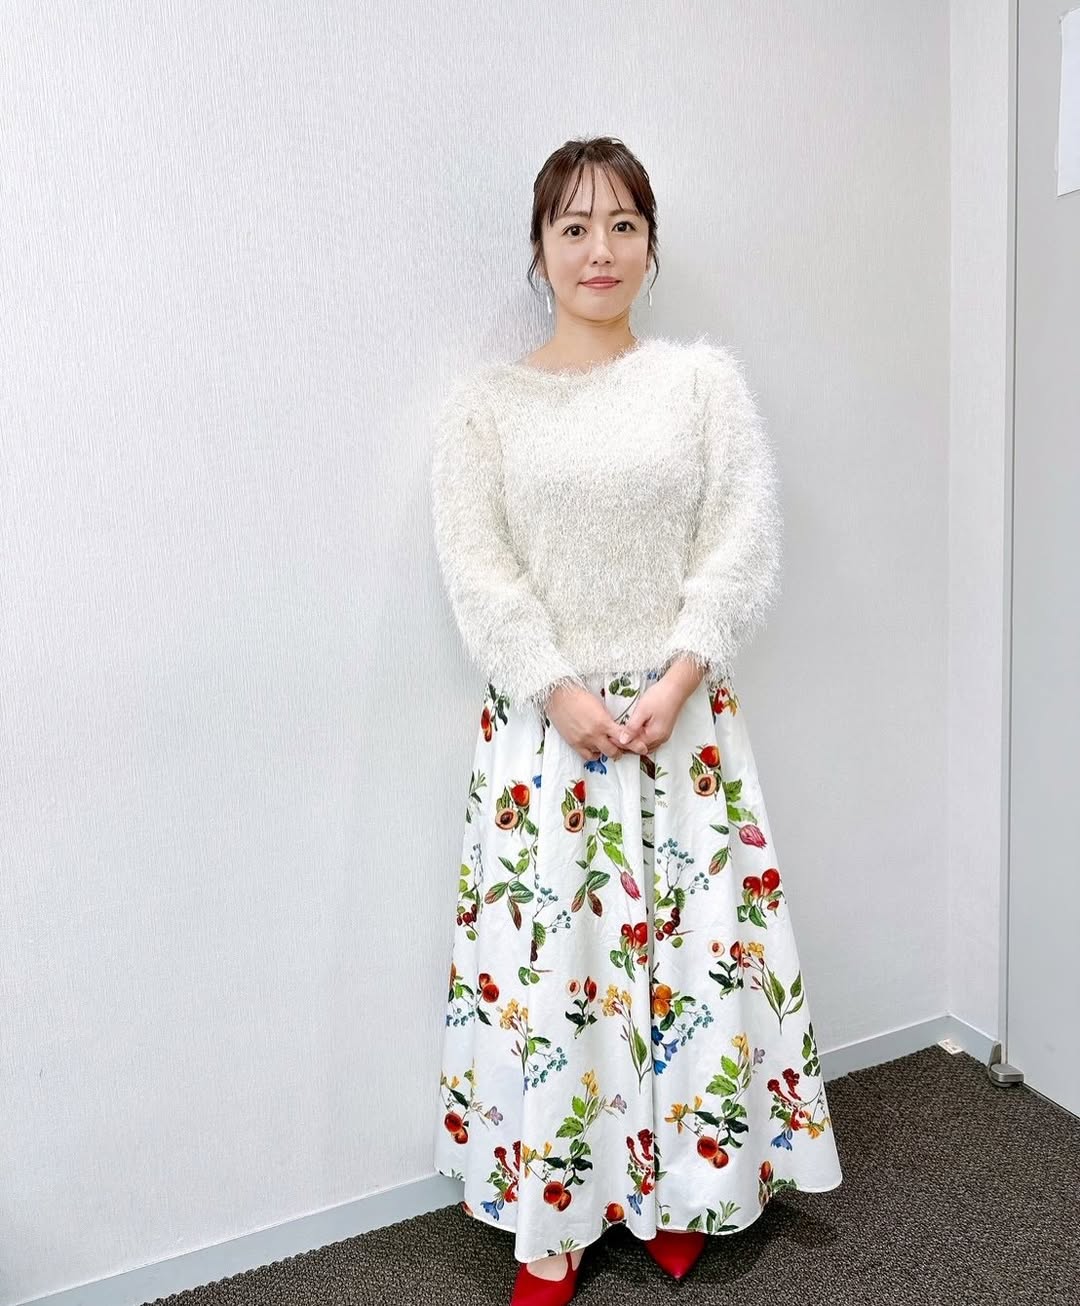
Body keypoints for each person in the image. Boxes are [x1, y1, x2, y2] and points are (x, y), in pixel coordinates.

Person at [429, 136, 842, 1306]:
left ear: (652, 245)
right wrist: (558, 689)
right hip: (545, 738)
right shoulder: (487, 407)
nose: (598, 249)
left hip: (680, 724)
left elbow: (740, 541)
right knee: (559, 977)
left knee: (692, 965)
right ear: (539, 250)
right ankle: (554, 1219)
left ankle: (686, 1190)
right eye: (573, 227)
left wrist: (677, 675)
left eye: (622, 224)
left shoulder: (702, 384)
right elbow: (479, 570)